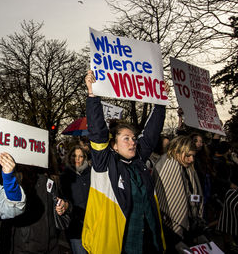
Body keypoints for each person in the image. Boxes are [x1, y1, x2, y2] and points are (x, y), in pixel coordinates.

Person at [82, 70, 166, 254]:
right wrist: (92, 95)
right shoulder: (104, 164)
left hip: (149, 244)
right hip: (118, 247)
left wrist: (160, 103)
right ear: (114, 145)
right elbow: (97, 132)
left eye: (134, 138)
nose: (133, 142)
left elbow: (151, 136)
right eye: (126, 138)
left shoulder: (138, 161)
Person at [154, 136, 205, 253]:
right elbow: (167, 206)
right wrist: (174, 239)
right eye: (188, 156)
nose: (191, 159)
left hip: (188, 228)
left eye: (193, 156)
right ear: (176, 151)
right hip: (170, 231)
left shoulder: (186, 166)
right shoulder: (167, 164)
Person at [6, 164, 70, 254]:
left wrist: (65, 205)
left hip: (51, 244)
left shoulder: (52, 178)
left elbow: (67, 202)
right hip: (26, 245)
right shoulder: (16, 178)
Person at [60, 145, 91, 254]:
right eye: (74, 156)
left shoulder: (92, 174)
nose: (77, 159)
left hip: (93, 223)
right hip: (75, 226)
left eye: (80, 156)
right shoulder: (64, 176)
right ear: (69, 157)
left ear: (84, 158)